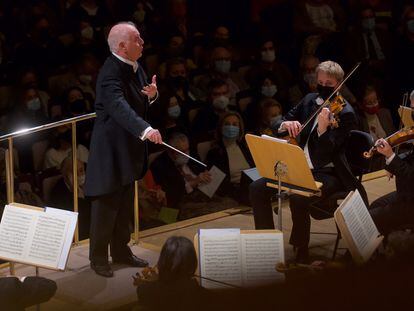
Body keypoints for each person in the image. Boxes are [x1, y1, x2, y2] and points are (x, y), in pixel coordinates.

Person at [249, 61, 365, 263]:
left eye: (328, 83)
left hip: (328, 173)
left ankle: (301, 249)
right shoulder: (310, 100)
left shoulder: (346, 114)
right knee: (256, 188)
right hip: (298, 166)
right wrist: (286, 123)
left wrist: (321, 130)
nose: (322, 86)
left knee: (298, 196)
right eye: (319, 81)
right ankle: (265, 243)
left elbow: (325, 153)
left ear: (338, 85)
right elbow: (277, 123)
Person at [84, 22, 162, 278]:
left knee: (125, 204)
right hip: (110, 149)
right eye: (137, 39)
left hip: (128, 147)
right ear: (122, 46)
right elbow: (118, 106)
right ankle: (98, 258)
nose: (142, 43)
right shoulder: (109, 72)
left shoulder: (134, 66)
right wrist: (146, 129)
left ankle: (121, 251)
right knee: (106, 204)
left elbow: (137, 98)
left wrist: (151, 95)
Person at [135, 236, 208, 311]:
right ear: (193, 263)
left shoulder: (144, 291)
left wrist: (155, 282)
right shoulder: (204, 296)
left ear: (162, 261)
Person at [206, 112, 253, 204]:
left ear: (240, 128)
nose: (231, 127)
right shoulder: (215, 153)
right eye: (227, 124)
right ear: (220, 127)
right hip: (233, 192)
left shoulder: (245, 148)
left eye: (235, 124)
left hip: (251, 186)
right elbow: (217, 184)